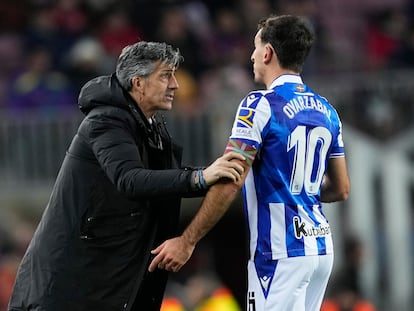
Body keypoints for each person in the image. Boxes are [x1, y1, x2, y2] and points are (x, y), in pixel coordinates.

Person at [7, 41, 245, 311]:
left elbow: (157, 185)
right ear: (138, 83)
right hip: (66, 287)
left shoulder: (149, 126)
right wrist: (200, 178)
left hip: (101, 282)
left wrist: (205, 180)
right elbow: (130, 180)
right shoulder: (106, 121)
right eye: (165, 75)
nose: (175, 85)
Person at [149, 15, 350, 311]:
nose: (252, 56)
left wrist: (187, 241)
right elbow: (342, 188)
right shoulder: (327, 111)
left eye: (255, 48)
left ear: (268, 53)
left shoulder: (259, 104)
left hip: (280, 253)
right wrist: (297, 195)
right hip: (320, 248)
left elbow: (232, 178)